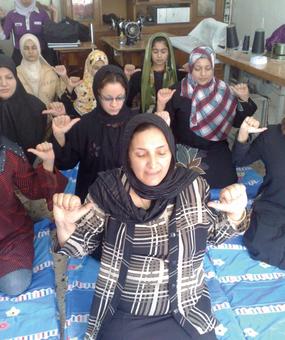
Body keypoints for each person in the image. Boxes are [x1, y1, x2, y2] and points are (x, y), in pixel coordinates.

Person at [53, 113, 248, 340]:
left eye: (161, 152)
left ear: (171, 152)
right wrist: (65, 227)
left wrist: (236, 213)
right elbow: (80, 247)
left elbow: (212, 234)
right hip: (128, 309)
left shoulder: (192, 187)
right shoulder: (110, 191)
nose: (153, 164)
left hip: (187, 305)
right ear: (127, 155)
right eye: (141, 154)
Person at [156, 46, 257, 189]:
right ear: (190, 67)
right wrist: (161, 104)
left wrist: (244, 99)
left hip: (216, 149)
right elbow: (162, 126)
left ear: (213, 67)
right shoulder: (177, 92)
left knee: (226, 186)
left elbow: (238, 122)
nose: (203, 73)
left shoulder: (224, 90)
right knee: (185, 189)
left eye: (208, 68)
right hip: (185, 150)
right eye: (197, 68)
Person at [52, 64, 136, 202]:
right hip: (93, 200)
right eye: (108, 98)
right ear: (97, 94)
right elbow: (66, 163)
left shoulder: (136, 124)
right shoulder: (85, 125)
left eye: (120, 97)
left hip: (129, 199)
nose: (114, 104)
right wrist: (60, 136)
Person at [0, 137, 67, 296]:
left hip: (10, 234)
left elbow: (34, 190)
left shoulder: (6, 151)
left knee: (14, 284)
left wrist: (48, 164)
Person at [232, 116, 285, 269]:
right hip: (273, 208)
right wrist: (243, 134)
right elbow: (239, 160)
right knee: (259, 246)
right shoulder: (272, 136)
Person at [0, 54, 46, 164]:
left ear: (16, 78)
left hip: (30, 170)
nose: (4, 84)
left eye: (9, 77)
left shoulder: (35, 106)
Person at [125, 32, 182, 113]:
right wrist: (127, 78)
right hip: (147, 120)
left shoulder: (177, 73)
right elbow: (127, 101)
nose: (159, 56)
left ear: (169, 53)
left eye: (163, 52)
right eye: (155, 52)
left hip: (172, 121)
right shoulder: (140, 74)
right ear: (149, 53)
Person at [0, 0, 57, 66]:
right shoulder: (11, 15)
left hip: (41, 53)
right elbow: (3, 37)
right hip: (20, 54)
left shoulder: (42, 13)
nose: (25, 1)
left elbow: (52, 33)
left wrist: (55, 14)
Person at [17, 33, 67, 107]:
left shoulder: (49, 72)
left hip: (49, 115)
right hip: (23, 117)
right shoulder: (15, 73)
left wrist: (64, 76)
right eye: (26, 48)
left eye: (34, 48)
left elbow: (62, 96)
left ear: (39, 49)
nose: (30, 51)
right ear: (21, 51)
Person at [61, 49, 109, 118]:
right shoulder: (79, 86)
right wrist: (70, 87)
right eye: (96, 68)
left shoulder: (110, 87)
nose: (100, 71)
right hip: (80, 123)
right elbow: (66, 106)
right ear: (89, 68)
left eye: (103, 68)